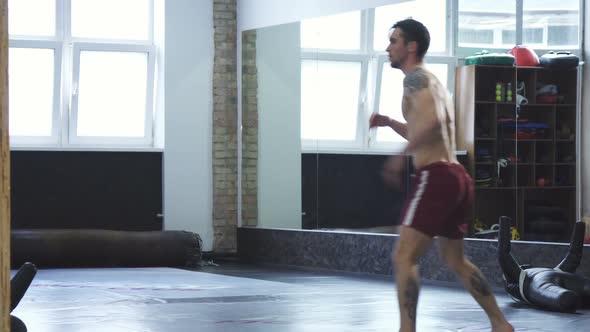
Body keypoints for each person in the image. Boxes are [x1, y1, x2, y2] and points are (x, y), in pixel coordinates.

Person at [369, 18, 514, 332]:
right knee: (455, 260)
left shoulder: (414, 79)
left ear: (411, 47)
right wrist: (391, 122)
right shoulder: (430, 81)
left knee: (403, 256)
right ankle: (500, 324)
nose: (387, 48)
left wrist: (399, 157)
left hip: (436, 178)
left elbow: (433, 122)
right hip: (456, 177)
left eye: (393, 41)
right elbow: (426, 128)